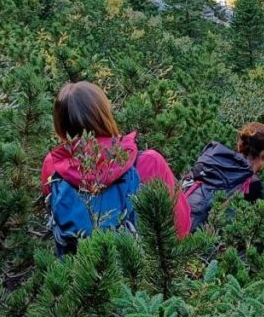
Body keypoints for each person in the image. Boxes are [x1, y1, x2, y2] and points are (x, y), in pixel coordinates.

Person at [41, 81, 191, 254]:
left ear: (60, 126)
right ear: (105, 115)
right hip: (141, 276)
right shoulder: (148, 162)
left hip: (75, 277)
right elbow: (181, 229)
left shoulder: (52, 166)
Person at [182, 122, 264, 232]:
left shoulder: (213, 162)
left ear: (240, 145)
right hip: (202, 241)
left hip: (177, 224)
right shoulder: (253, 185)